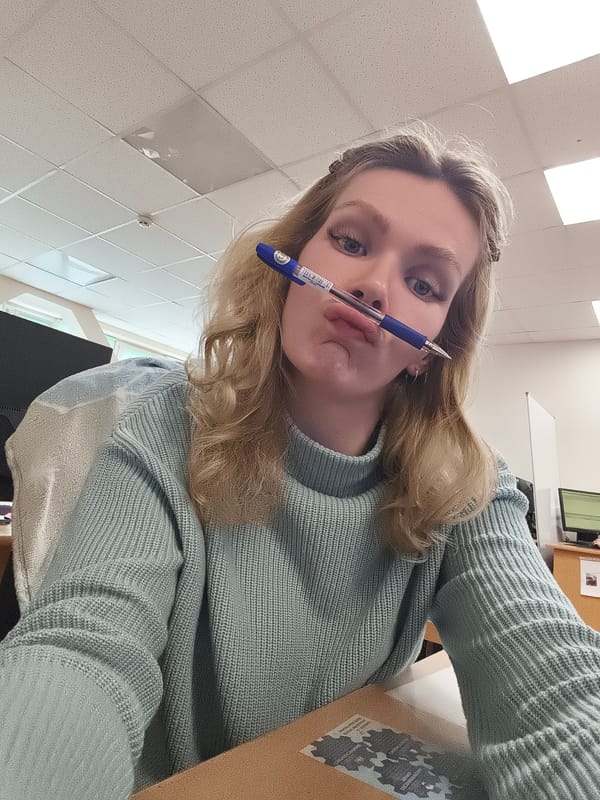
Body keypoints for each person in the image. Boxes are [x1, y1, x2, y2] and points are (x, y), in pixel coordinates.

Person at [1, 126, 599, 800]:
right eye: (350, 242)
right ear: (290, 261)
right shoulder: (164, 429)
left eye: (424, 283)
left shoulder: (466, 485)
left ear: (432, 346)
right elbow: (81, 651)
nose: (373, 285)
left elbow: (553, 675)